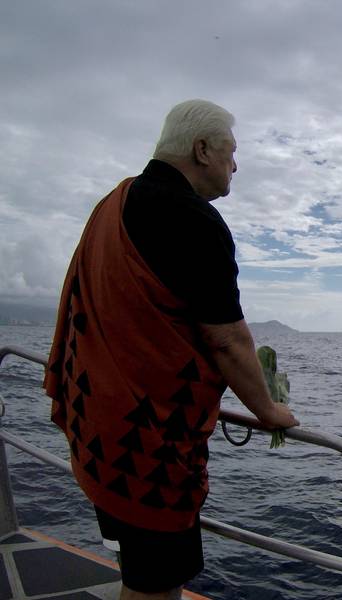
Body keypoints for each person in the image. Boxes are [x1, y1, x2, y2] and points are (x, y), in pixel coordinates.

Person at [43, 99, 299, 599]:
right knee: (155, 585)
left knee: (139, 572)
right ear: (202, 150)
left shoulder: (114, 203)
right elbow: (225, 339)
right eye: (231, 152)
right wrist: (268, 409)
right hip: (146, 441)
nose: (236, 165)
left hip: (97, 420)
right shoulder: (192, 219)